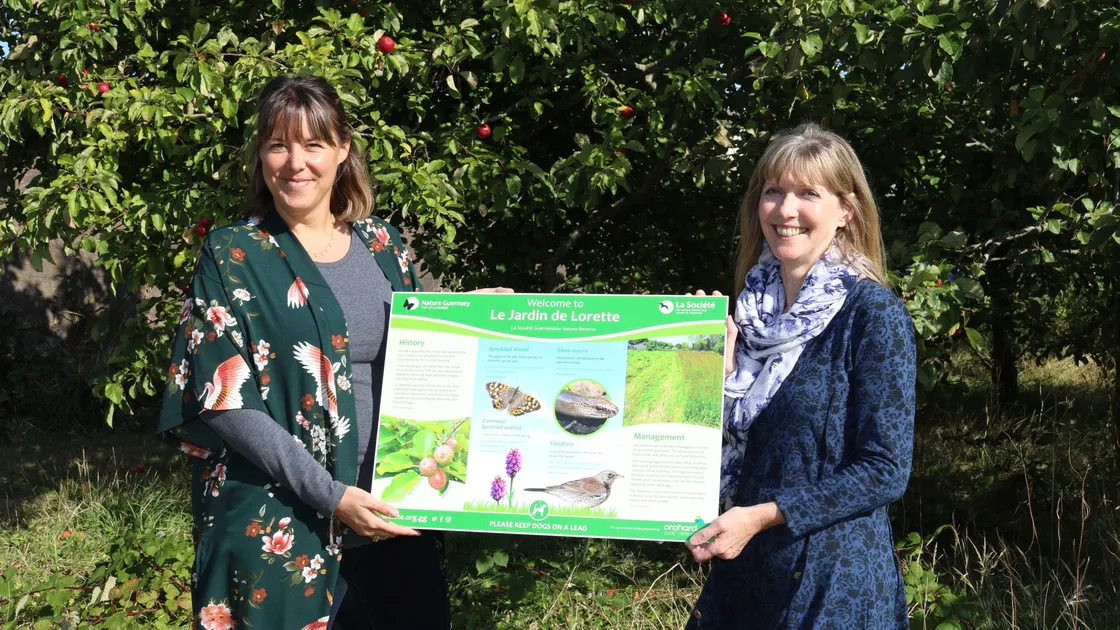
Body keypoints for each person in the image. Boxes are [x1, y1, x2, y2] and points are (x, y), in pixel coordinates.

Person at [159, 75, 505, 630]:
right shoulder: (232, 254)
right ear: (261, 156)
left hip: (395, 515)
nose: (295, 163)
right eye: (278, 145)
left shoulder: (382, 244)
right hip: (283, 525)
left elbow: (419, 355)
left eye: (313, 145)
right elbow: (223, 401)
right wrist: (332, 496)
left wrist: (471, 317)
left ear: (342, 150)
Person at [685, 123, 916, 628]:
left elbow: (884, 470)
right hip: (745, 577)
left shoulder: (872, 315)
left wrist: (763, 516)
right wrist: (710, 372)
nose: (785, 210)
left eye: (808, 193)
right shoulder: (748, 316)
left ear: (846, 210)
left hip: (830, 584)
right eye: (773, 191)